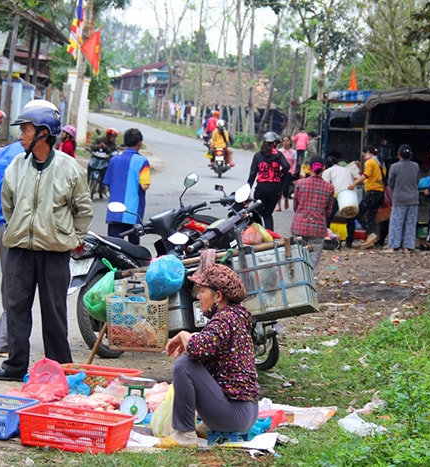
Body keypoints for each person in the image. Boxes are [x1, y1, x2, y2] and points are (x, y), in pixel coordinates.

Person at [0, 101, 93, 382]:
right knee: (16, 308)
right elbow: (7, 203)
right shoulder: (16, 167)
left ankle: (60, 369)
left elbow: (84, 210)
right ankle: (15, 367)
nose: (21, 136)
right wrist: (19, 228)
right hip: (20, 249)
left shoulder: (70, 169)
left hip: (55, 252)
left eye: (26, 130)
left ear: (44, 133)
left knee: (54, 312)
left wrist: (72, 238)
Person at [157, 263, 259, 448]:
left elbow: (196, 349)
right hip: (247, 413)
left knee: (185, 364)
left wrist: (183, 335)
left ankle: (184, 435)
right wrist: (191, 338)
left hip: (233, 416)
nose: (198, 296)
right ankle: (207, 427)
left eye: (202, 291)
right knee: (197, 358)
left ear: (218, 296)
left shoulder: (223, 319)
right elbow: (207, 346)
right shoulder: (237, 316)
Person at [0, 140, 24, 356]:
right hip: (20, 228)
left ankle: (11, 334)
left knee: (11, 282)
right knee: (19, 285)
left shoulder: (2, 155)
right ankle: (5, 339)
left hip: (3, 228)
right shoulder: (30, 158)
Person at [103, 128, 151, 245]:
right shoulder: (142, 161)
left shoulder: (114, 160)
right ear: (139, 143)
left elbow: (107, 183)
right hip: (133, 215)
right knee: (133, 250)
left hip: (114, 213)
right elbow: (144, 186)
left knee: (114, 247)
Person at [291, 156, 335, 270]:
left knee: (298, 257)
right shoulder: (329, 188)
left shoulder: (300, 184)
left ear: (309, 168)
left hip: (299, 226)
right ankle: (310, 282)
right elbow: (328, 211)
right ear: (324, 168)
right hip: (318, 228)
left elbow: (295, 206)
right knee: (313, 260)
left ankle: (299, 281)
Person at [247, 131, 291, 231]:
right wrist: (280, 173)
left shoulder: (258, 155)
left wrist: (248, 188)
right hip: (275, 188)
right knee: (268, 214)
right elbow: (286, 166)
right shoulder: (278, 155)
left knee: (257, 212)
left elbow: (252, 173)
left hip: (261, 188)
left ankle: (259, 234)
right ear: (274, 143)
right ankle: (270, 237)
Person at [383, 144, 420, 254]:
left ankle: (393, 246)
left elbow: (391, 182)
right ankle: (407, 247)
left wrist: (397, 190)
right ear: (410, 155)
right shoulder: (416, 166)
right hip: (413, 199)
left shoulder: (394, 167)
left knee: (396, 223)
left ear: (399, 154)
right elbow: (417, 180)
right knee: (410, 223)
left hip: (399, 199)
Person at [348, 144, 386, 248]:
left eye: (364, 155)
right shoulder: (380, 162)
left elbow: (366, 175)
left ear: (368, 153)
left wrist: (353, 183)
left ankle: (371, 233)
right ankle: (372, 238)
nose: (364, 157)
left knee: (359, 213)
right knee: (371, 215)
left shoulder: (370, 162)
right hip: (380, 192)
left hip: (372, 191)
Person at [323, 154, 356, 248]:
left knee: (328, 217)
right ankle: (349, 242)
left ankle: (326, 237)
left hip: (336, 194)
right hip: (349, 194)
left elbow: (326, 186)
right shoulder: (347, 169)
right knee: (350, 218)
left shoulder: (328, 171)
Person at [276, 135, 297, 211]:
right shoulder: (280, 151)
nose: (286, 143)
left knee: (285, 188)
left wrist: (292, 171)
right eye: (284, 141)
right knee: (278, 189)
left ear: (290, 142)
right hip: (280, 172)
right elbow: (277, 162)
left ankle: (286, 197)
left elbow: (294, 162)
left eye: (287, 141)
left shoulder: (294, 152)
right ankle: (278, 206)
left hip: (288, 172)